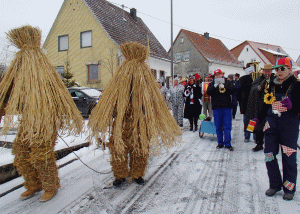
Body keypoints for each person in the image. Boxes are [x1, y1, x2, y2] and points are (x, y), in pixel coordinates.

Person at [0, 26, 83, 202]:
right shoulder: (18, 76)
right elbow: (6, 95)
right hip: (28, 121)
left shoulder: (46, 75)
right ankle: (33, 184)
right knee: (21, 152)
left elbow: (61, 97)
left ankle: (50, 186)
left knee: (40, 154)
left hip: (46, 120)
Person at [88, 42, 181, 187]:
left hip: (140, 124)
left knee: (140, 148)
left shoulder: (146, 86)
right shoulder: (119, 84)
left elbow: (155, 105)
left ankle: (137, 174)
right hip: (122, 123)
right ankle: (120, 175)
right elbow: (109, 101)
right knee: (118, 148)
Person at [254, 57, 300, 200]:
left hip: (289, 126)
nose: (279, 72)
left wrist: (293, 106)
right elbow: (267, 103)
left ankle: (289, 187)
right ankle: (275, 184)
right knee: (269, 155)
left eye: (282, 69)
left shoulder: (296, 85)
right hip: (271, 125)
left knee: (289, 156)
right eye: (277, 69)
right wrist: (259, 118)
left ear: (289, 70)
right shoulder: (272, 85)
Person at [245, 64, 275, 152]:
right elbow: (254, 89)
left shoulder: (275, 79)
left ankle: (272, 145)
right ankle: (259, 144)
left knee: (271, 126)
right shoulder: (259, 79)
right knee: (259, 125)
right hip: (260, 106)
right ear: (263, 71)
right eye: (265, 71)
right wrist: (261, 86)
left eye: (269, 71)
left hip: (271, 106)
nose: (267, 73)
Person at [207, 69, 234, 151]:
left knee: (227, 125)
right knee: (218, 126)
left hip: (226, 107)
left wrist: (224, 85)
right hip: (216, 107)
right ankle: (220, 143)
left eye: (219, 74)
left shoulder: (227, 82)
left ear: (222, 74)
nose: (217, 76)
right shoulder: (212, 84)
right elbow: (208, 92)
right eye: (216, 75)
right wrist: (215, 85)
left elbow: (232, 90)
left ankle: (228, 143)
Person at [239, 64, 256, 142]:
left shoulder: (258, 78)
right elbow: (241, 88)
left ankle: (255, 136)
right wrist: (252, 82)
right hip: (246, 102)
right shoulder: (243, 78)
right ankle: (247, 136)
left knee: (254, 120)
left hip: (255, 102)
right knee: (246, 120)